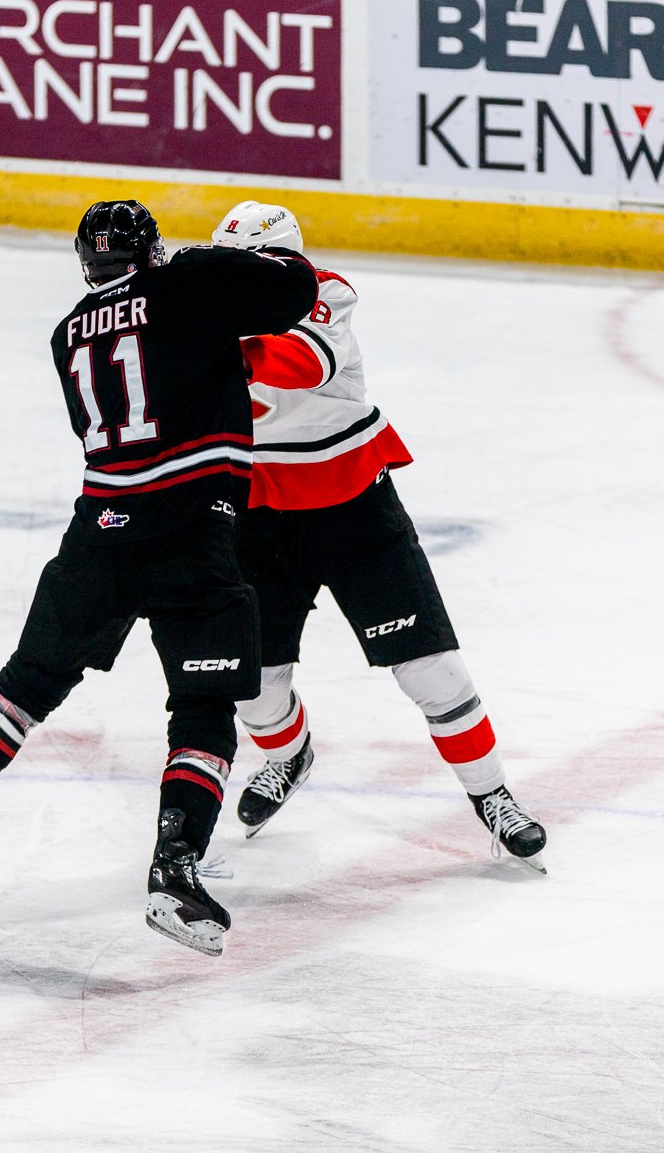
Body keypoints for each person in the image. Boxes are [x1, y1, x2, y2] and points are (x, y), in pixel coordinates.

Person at [0, 201, 318, 958]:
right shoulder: (183, 285)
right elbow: (293, 287)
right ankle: (174, 869)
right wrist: (203, 261)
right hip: (190, 530)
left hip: (99, 530)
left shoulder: (67, 333)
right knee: (203, 705)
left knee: (31, 678)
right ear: (150, 251)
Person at [207, 202, 548, 868]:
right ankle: (289, 756)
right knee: (254, 685)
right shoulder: (209, 312)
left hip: (353, 508)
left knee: (430, 668)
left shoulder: (324, 293)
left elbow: (302, 363)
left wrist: (213, 345)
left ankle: (493, 795)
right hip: (259, 513)